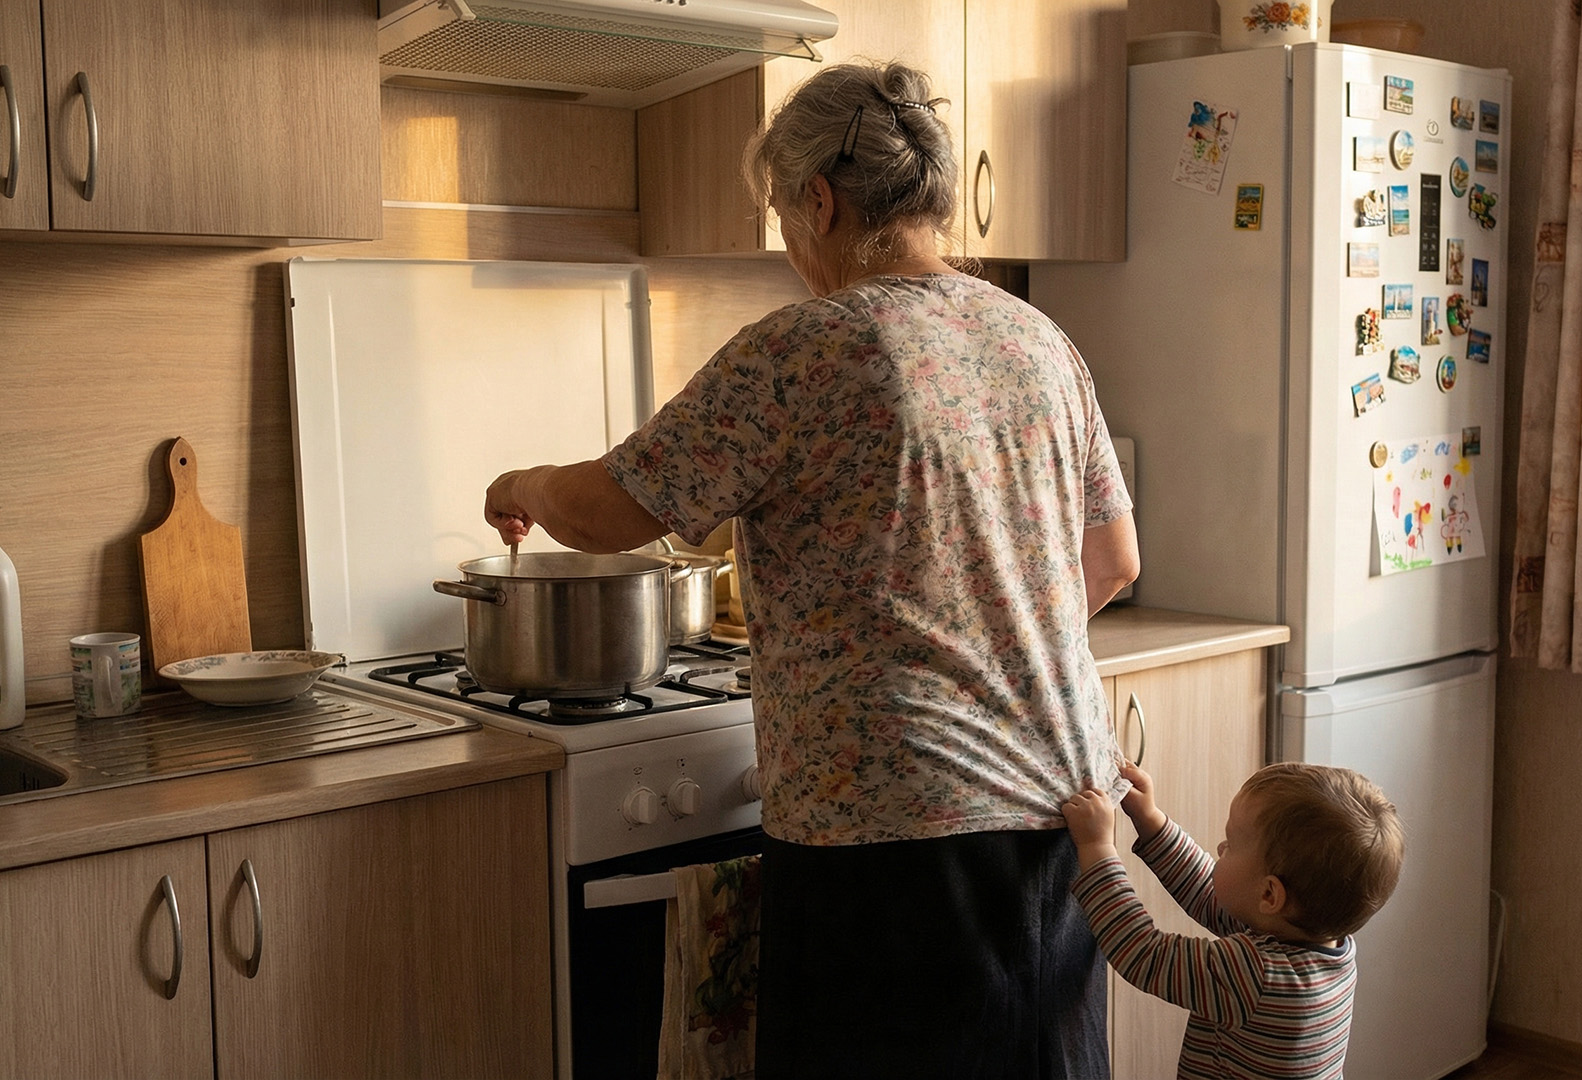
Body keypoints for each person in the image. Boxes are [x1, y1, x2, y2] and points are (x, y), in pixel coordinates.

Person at [482, 60, 1140, 1079]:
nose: (790, 243)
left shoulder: (810, 347)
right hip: (1061, 818)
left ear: (819, 201)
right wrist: (990, 640)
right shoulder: (1040, 340)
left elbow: (611, 510)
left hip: (889, 842)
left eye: (783, 213)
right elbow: (1113, 560)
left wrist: (522, 477)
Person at [1061, 761, 1404, 1080]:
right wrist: (1151, 821)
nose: (1222, 847)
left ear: (1270, 895)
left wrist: (1096, 846)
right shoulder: (1324, 945)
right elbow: (1211, 897)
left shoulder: (1258, 976)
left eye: (1233, 844)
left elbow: (1145, 954)